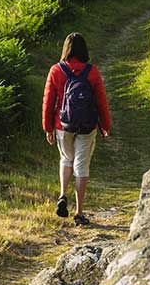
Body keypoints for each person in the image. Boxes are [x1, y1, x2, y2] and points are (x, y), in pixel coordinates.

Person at [42, 32, 111, 225]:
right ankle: (79, 212)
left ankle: (63, 195)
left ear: (65, 49)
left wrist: (48, 127)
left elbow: (48, 102)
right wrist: (105, 125)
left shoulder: (56, 70)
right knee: (81, 165)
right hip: (87, 126)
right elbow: (101, 101)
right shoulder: (93, 72)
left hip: (62, 125)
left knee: (66, 159)